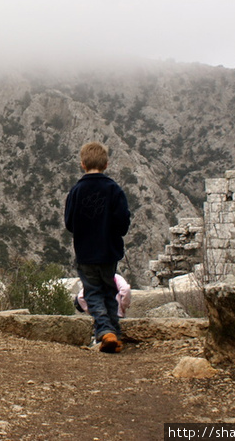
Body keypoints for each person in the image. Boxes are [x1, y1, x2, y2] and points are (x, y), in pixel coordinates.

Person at [64, 141, 131, 353]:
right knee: (110, 291)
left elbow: (69, 223)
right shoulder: (114, 189)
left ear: (82, 164)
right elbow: (123, 222)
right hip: (109, 252)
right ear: (106, 164)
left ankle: (104, 331)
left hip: (86, 253)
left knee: (92, 293)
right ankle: (115, 335)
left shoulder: (76, 191)